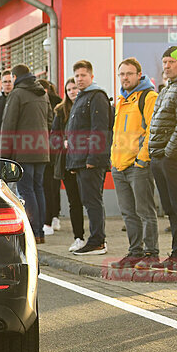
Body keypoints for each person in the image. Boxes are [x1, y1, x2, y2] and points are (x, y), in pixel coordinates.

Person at [138, 47, 177, 273]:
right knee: (171, 209)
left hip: (176, 158)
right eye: (164, 62)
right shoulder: (168, 89)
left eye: (170, 62)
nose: (166, 66)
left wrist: (169, 153)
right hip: (160, 157)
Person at [108, 58, 159, 269]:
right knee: (128, 212)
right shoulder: (122, 99)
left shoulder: (149, 97)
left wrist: (142, 159)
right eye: (122, 74)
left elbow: (152, 130)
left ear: (139, 75)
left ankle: (151, 254)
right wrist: (113, 161)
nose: (125, 78)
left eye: (129, 74)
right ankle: (134, 252)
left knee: (145, 211)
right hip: (119, 165)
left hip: (138, 166)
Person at [0, 64, 52, 244]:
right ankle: (40, 232)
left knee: (26, 191)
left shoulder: (17, 94)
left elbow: (8, 125)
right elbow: (50, 120)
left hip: (24, 151)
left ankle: (32, 232)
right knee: (38, 189)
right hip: (41, 150)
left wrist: (5, 154)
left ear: (15, 77)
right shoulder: (43, 93)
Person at [65, 60, 112, 256]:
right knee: (88, 200)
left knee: (93, 201)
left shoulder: (97, 97)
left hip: (91, 161)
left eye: (83, 75)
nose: (79, 79)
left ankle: (97, 241)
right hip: (81, 160)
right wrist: (74, 162)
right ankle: (95, 240)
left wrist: (93, 158)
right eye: (77, 76)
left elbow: (99, 130)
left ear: (91, 76)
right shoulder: (81, 98)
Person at [52, 78, 86, 252]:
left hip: (85, 161)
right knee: (74, 201)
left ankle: (97, 237)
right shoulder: (60, 111)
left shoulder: (88, 107)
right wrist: (63, 142)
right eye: (69, 89)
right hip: (67, 161)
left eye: (74, 88)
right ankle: (78, 237)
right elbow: (53, 137)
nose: (72, 91)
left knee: (91, 200)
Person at [38, 78, 63, 236]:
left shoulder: (49, 104)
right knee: (53, 186)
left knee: (48, 185)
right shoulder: (58, 102)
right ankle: (54, 216)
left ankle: (50, 219)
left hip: (47, 148)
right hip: (54, 150)